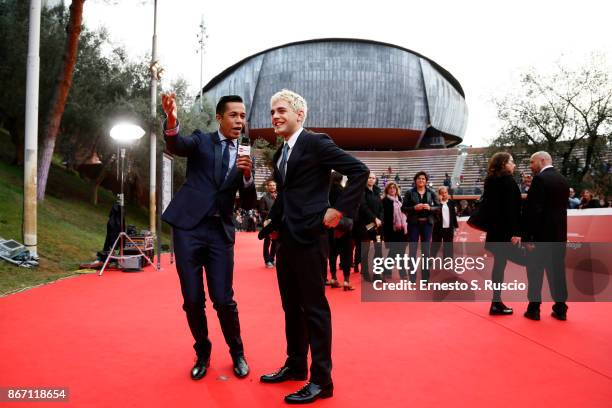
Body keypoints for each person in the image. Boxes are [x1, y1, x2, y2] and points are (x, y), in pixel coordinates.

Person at [259, 89, 368, 404]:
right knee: (290, 307)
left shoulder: (316, 142)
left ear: (299, 115)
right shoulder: (281, 154)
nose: (276, 116)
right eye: (272, 112)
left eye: (281, 110)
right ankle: (296, 365)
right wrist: (271, 227)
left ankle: (322, 380)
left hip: (311, 238)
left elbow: (359, 170)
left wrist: (339, 210)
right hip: (287, 241)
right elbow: (287, 196)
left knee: (315, 310)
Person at [160, 93, 256, 380]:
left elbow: (250, 203)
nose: (239, 120)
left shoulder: (246, 153)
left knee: (224, 299)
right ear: (219, 118)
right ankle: (202, 351)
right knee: (192, 299)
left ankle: (237, 352)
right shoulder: (202, 141)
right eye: (233, 115)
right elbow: (176, 144)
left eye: (242, 116)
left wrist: (248, 177)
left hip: (220, 232)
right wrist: (172, 117)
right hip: (189, 228)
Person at [523, 151, 570, 321]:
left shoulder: (540, 180)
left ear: (542, 161)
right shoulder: (563, 179)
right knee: (558, 271)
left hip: (540, 237)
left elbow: (534, 211)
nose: (530, 165)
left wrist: (528, 237)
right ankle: (561, 308)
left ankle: (534, 309)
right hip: (559, 236)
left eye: (532, 162)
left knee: (535, 272)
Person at [482, 152, 522, 316]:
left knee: (499, 265)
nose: (514, 165)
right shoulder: (508, 181)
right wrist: (516, 232)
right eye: (511, 161)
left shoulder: (490, 180)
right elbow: (512, 210)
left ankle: (496, 301)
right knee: (502, 265)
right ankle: (496, 303)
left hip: (494, 230)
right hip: (506, 231)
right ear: (503, 163)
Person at [402, 171, 439, 283]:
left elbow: (439, 207)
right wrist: (414, 208)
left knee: (426, 251)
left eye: (423, 179)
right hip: (414, 224)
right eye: (419, 178)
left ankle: (425, 278)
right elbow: (403, 208)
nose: (421, 180)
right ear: (415, 180)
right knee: (412, 250)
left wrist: (430, 208)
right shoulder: (409, 193)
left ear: (426, 181)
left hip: (427, 224)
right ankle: (412, 278)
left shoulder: (432, 193)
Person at [327, 171, 355, 290]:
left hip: (330, 226)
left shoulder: (325, 194)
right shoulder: (344, 192)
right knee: (346, 254)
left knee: (332, 253)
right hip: (343, 227)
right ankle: (346, 281)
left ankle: (333, 278)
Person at [356, 172, 384, 282]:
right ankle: (365, 273)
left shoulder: (377, 191)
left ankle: (377, 274)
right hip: (365, 224)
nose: (371, 180)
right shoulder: (362, 191)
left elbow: (381, 207)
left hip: (378, 225)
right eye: (369, 178)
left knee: (378, 250)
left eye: (373, 178)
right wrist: (374, 219)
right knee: (365, 250)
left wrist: (380, 219)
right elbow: (363, 207)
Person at [381, 182, 408, 278]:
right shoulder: (384, 201)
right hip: (391, 230)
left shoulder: (400, 199)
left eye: (394, 188)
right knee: (394, 251)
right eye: (390, 188)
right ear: (387, 190)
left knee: (401, 251)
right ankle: (401, 272)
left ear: (396, 189)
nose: (392, 189)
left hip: (402, 229)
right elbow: (384, 217)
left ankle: (387, 271)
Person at [431, 186, 458, 261]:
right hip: (438, 227)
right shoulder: (436, 203)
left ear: (448, 193)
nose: (444, 194)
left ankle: (447, 259)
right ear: (439, 194)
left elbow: (453, 215)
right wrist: (439, 202)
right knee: (436, 244)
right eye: (442, 193)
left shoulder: (451, 203)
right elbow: (434, 213)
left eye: (445, 192)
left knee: (448, 244)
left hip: (449, 227)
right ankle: (431, 258)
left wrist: (456, 226)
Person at [259, 180, 278, 268]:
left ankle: (272, 259)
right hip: (267, 223)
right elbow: (262, 211)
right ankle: (267, 260)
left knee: (275, 241)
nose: (272, 187)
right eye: (270, 185)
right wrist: (272, 213)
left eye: (274, 185)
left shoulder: (279, 197)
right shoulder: (264, 198)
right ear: (267, 187)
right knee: (267, 242)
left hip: (277, 223)